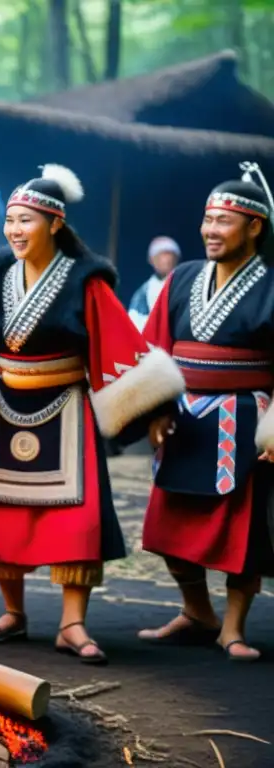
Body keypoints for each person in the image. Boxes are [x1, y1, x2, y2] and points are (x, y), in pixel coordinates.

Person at [0, 164, 185, 664]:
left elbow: (120, 342)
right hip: (5, 409)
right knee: (1, 514)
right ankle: (13, 612)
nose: (15, 230)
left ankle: (72, 624)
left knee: (77, 521)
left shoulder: (84, 281)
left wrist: (155, 407)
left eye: (25, 220)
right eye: (9, 220)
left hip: (67, 409)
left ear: (54, 224)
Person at [138, 162, 274, 662]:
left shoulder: (271, 285)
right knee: (167, 526)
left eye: (223, 222)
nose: (210, 231)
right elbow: (154, 349)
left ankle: (233, 628)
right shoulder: (183, 277)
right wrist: (153, 409)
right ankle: (198, 611)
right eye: (207, 220)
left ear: (254, 226)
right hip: (184, 418)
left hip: (246, 422)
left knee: (243, 531)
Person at [128, 236, 180, 331]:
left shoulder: (184, 284)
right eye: (161, 255)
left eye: (169, 255)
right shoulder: (144, 291)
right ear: (152, 260)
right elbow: (135, 322)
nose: (166, 259)